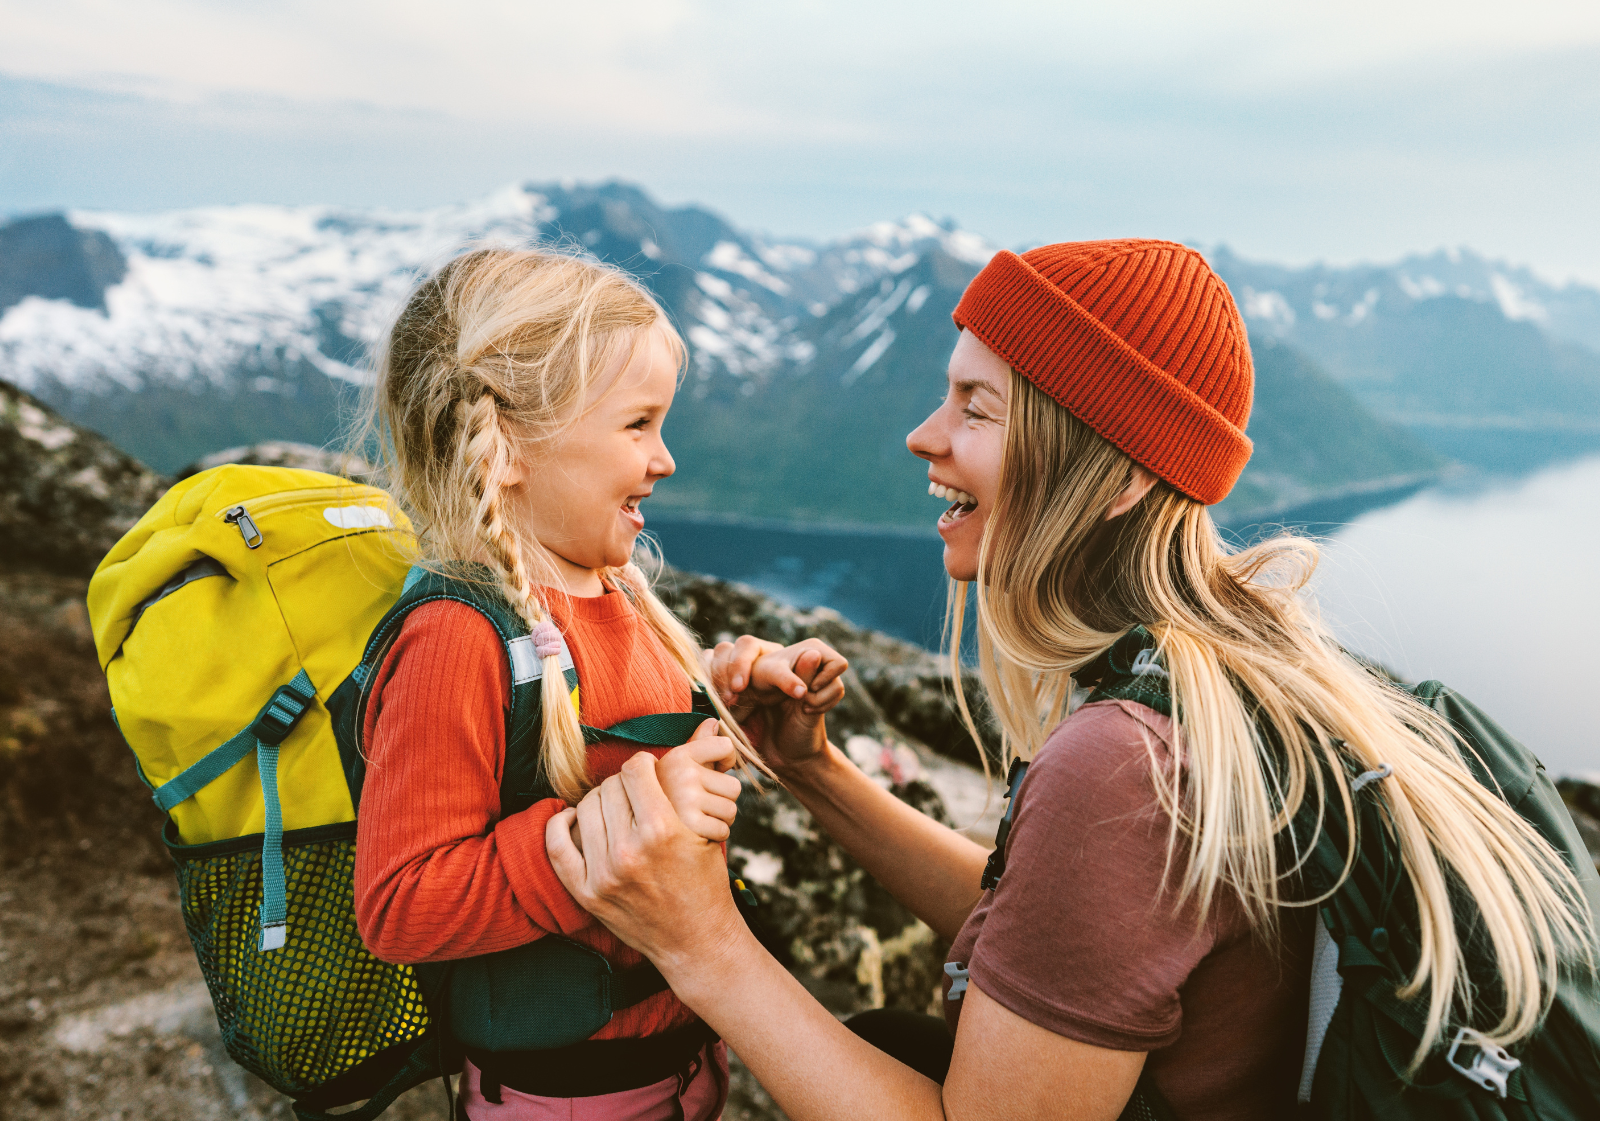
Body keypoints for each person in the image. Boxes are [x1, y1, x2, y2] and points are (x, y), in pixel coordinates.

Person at [544, 239, 1596, 1120]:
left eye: (976, 408)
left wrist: (699, 940)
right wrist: (814, 774)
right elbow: (1057, 934)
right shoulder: (1238, 660)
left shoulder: (1126, 765)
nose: (924, 435)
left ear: (1116, 472)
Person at [351, 247, 849, 1120]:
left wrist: (727, 700)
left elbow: (607, 738)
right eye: (637, 425)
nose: (663, 460)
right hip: (570, 1100)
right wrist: (602, 831)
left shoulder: (618, 590)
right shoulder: (457, 638)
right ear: (506, 446)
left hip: (685, 1060)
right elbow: (400, 906)